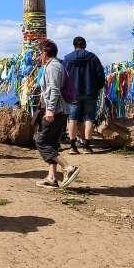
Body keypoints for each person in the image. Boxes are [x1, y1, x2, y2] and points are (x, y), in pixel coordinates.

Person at [35, 39, 80, 189]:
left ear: (45, 53)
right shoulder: (53, 65)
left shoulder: (53, 66)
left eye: (40, 53)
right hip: (59, 110)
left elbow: (54, 89)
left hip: (56, 110)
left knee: (41, 142)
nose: (39, 56)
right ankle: (52, 178)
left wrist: (50, 110)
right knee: (52, 143)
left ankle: (67, 167)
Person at [63, 36, 105, 154]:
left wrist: (67, 90)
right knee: (89, 119)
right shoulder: (93, 57)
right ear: (85, 45)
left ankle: (72, 146)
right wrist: (97, 87)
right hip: (90, 93)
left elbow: (63, 76)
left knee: (72, 119)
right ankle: (86, 147)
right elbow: (100, 75)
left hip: (74, 94)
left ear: (74, 46)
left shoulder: (67, 59)